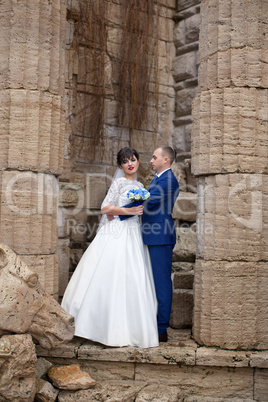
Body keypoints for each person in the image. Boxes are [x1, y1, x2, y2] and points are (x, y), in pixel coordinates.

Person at [61, 147, 159, 348]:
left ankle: (131, 329)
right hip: (118, 232)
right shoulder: (119, 183)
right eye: (125, 161)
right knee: (110, 274)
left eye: (133, 160)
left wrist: (137, 211)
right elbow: (105, 208)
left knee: (134, 276)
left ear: (138, 162)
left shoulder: (140, 185)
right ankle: (97, 325)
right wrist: (128, 210)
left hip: (134, 233)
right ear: (120, 166)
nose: (130, 164)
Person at [142, 146, 179, 342]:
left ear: (166, 160)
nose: (151, 160)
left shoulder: (168, 180)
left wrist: (126, 200)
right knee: (151, 280)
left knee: (161, 282)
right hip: (151, 235)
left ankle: (161, 328)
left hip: (160, 236)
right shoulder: (158, 178)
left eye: (154, 157)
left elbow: (151, 201)